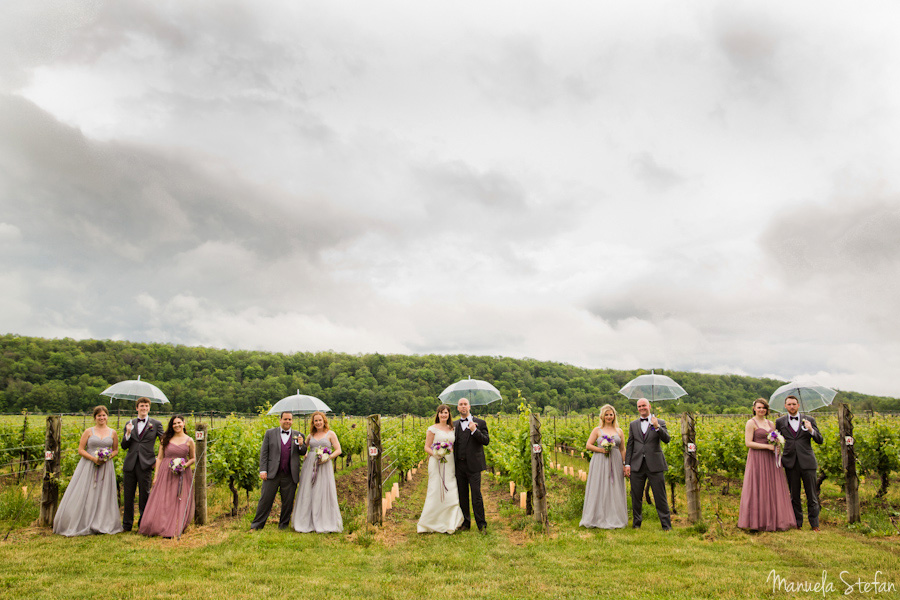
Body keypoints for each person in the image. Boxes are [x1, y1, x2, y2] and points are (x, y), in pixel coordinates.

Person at [53, 405, 124, 536]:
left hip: (106, 467)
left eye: (104, 415)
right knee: (86, 491)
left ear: (107, 416)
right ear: (95, 417)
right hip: (88, 465)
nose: (102, 418)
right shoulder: (88, 431)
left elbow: (115, 450)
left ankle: (101, 522)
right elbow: (81, 450)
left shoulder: (112, 432)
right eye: (99, 416)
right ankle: (81, 522)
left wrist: (108, 457)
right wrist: (93, 459)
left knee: (103, 493)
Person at [737, 398, 796, 532]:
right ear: (754, 409)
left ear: (767, 409)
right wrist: (766, 447)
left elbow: (775, 439)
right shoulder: (750, 423)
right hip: (757, 458)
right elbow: (748, 443)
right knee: (758, 487)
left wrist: (777, 445)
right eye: (759, 407)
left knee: (771, 487)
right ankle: (756, 522)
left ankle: (773, 520)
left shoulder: (770, 423)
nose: (761, 410)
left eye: (763, 407)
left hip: (770, 459)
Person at [139, 415, 196, 537]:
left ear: (184, 423)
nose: (177, 425)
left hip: (182, 474)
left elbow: (193, 458)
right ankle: (159, 524)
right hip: (166, 471)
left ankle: (174, 526)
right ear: (171, 425)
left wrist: (184, 466)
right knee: (163, 499)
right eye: (174, 424)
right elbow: (159, 458)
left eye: (179, 423)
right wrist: (156, 475)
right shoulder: (165, 439)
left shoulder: (189, 440)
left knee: (178, 499)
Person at [775, 395, 824, 531]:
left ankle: (815, 524)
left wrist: (810, 430)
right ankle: (797, 523)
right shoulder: (780, 421)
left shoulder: (809, 420)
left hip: (807, 462)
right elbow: (776, 438)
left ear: (798, 405)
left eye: (794, 404)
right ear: (785, 406)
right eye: (789, 404)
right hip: (790, 462)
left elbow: (820, 439)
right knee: (794, 495)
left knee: (812, 495)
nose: (792, 406)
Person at [250, 411, 307, 530]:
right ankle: (256, 525)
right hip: (272, 473)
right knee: (265, 500)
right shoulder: (270, 433)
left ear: (292, 421)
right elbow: (264, 453)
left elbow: (302, 452)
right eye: (285, 419)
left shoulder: (298, 434)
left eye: (290, 419)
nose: (287, 421)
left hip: (290, 474)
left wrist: (301, 445)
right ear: (280, 420)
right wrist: (263, 470)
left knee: (288, 502)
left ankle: (283, 525)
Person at [624, 397, 671, 530]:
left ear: (649, 406)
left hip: (655, 464)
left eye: (643, 405)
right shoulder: (633, 424)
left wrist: (657, 427)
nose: (641, 408)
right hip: (637, 464)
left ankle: (666, 525)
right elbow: (630, 444)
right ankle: (636, 524)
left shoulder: (659, 422)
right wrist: (627, 464)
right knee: (636, 496)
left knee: (660, 496)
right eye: (639, 406)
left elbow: (667, 439)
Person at [292, 411, 343, 533]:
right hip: (310, 465)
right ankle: (307, 520)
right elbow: (305, 448)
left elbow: (338, 450)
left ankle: (324, 520)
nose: (318, 422)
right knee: (310, 489)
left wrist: (327, 458)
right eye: (316, 421)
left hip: (324, 466)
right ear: (313, 423)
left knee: (323, 490)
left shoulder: (330, 434)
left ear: (324, 421)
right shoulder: (310, 435)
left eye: (320, 420)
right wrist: (304, 452)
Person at [417, 404, 465, 533]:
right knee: (435, 488)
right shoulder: (432, 429)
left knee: (451, 487)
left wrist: (448, 452)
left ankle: (451, 521)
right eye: (441, 412)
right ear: (437, 414)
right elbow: (427, 447)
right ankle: (431, 521)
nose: (444, 415)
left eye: (446, 412)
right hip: (436, 461)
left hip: (449, 462)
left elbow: (453, 446)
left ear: (449, 414)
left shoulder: (452, 428)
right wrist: (436, 454)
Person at [580, 404, 627, 529]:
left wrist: (624, 464)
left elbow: (622, 449)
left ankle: (614, 516)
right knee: (599, 486)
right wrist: (601, 450)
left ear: (614, 416)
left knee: (615, 487)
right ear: (602, 416)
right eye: (606, 414)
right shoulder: (597, 430)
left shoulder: (619, 431)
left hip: (615, 461)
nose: (609, 417)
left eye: (611, 414)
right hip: (600, 461)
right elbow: (588, 445)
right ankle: (597, 516)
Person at [121, 396, 163, 531]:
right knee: (128, 495)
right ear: (137, 408)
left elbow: (164, 441)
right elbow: (124, 446)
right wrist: (127, 433)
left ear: (149, 408)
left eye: (146, 406)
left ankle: (143, 524)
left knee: (144, 494)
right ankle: (127, 525)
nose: (144, 408)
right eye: (141, 406)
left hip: (146, 463)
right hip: (130, 464)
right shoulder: (129, 423)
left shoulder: (155, 424)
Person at [454, 397, 490, 532]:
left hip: (474, 466)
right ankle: (466, 523)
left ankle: (481, 524)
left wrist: (475, 430)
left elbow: (486, 441)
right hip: (459, 465)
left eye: (465, 404)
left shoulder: (480, 423)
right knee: (462, 495)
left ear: (469, 407)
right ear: (457, 408)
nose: (463, 407)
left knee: (476, 496)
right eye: (460, 404)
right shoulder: (455, 424)